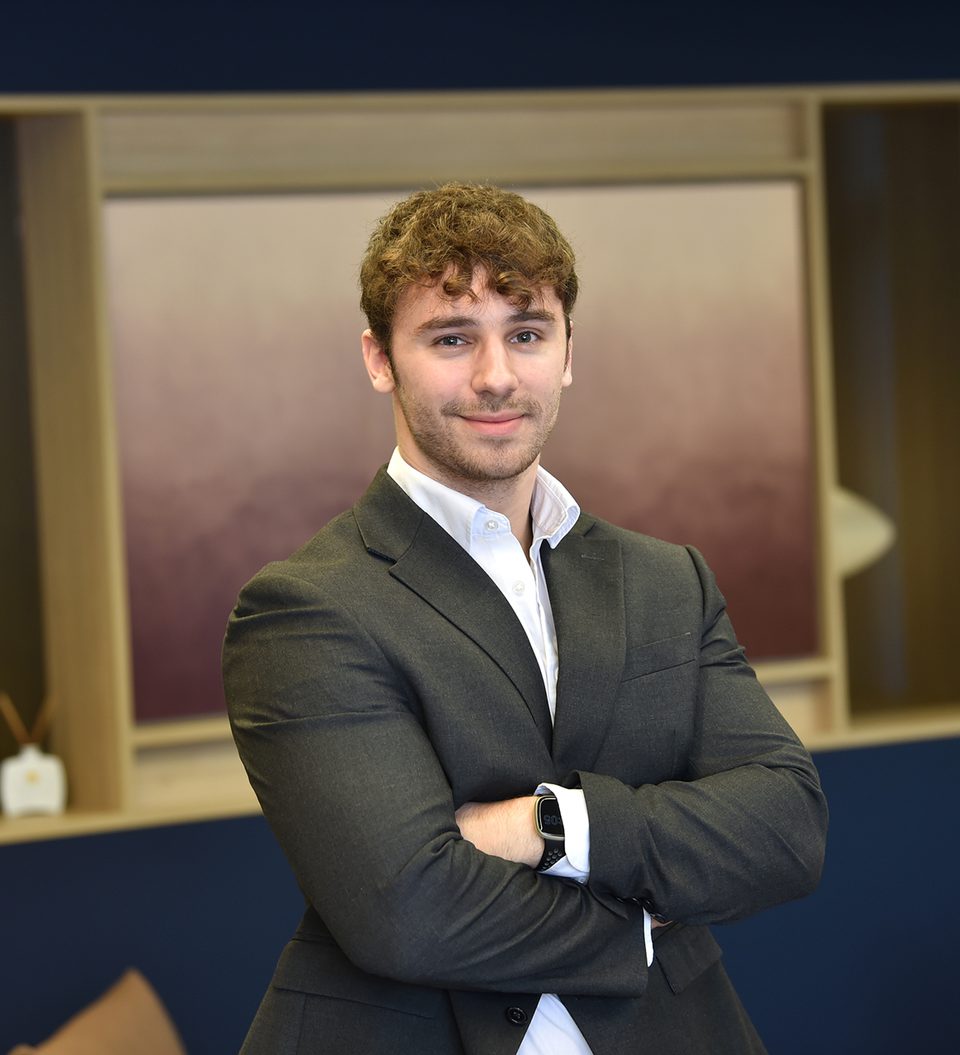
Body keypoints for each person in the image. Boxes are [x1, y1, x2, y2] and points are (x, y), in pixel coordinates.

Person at [221, 181, 828, 1055]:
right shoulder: (306, 608)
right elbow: (410, 912)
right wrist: (644, 923)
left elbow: (787, 828)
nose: (496, 375)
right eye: (452, 338)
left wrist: (553, 825)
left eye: (528, 334)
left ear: (569, 351)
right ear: (378, 358)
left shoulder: (667, 582)